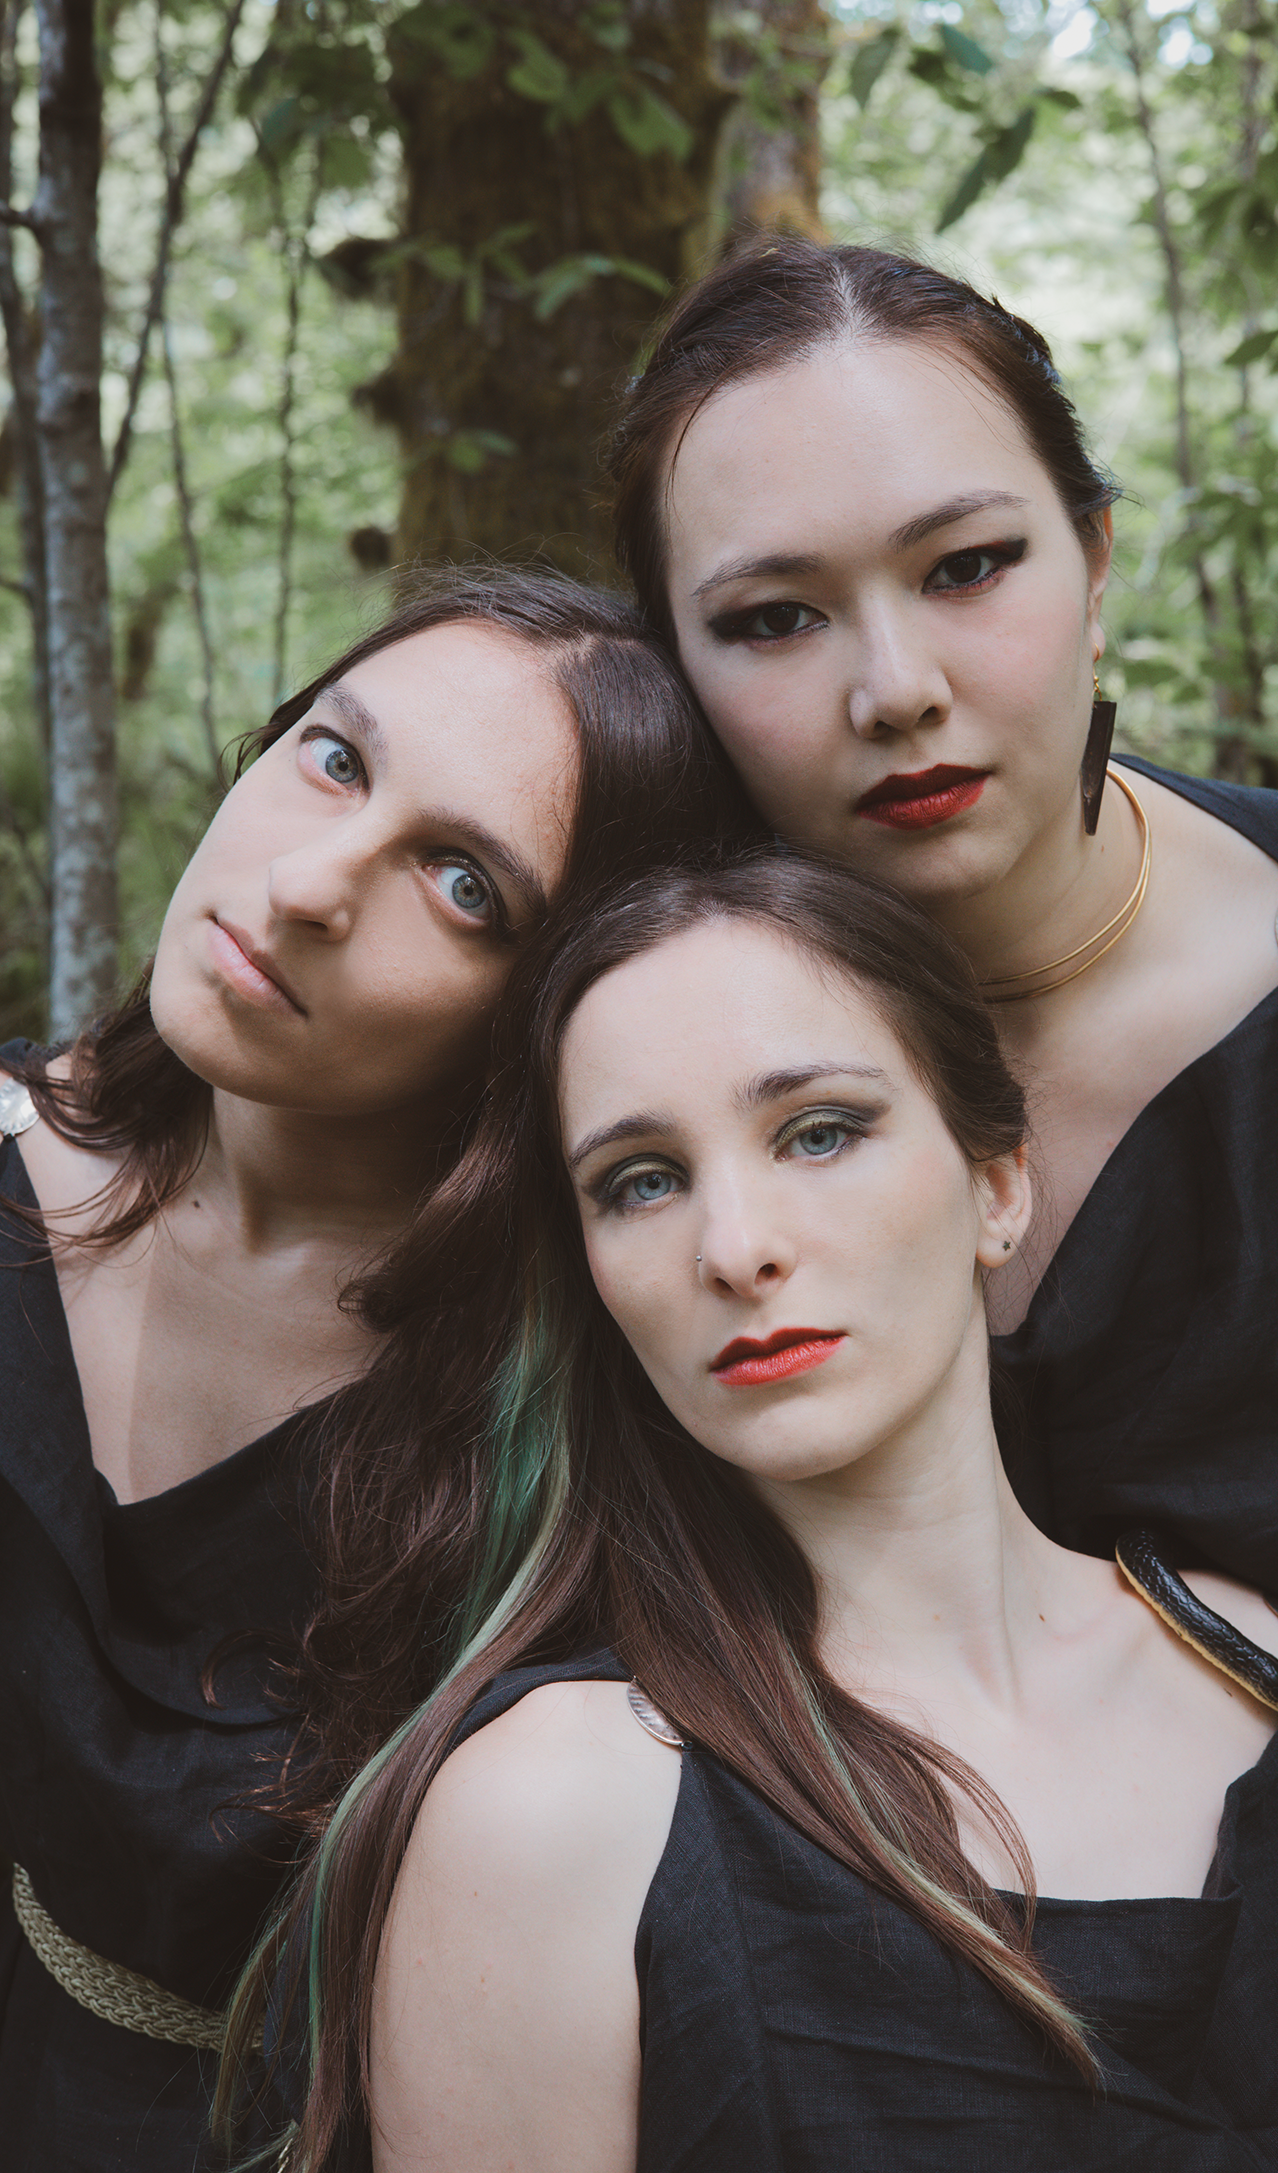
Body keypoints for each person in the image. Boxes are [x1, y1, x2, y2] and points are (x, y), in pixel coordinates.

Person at [231, 851, 1278, 2173]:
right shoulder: (551, 1814)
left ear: (997, 1185)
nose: (736, 1248)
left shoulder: (1270, 1673)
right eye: (642, 1179)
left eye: (819, 1131)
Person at [604, 239, 1278, 1966]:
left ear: (1092, 559)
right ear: (675, 665)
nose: (895, 686)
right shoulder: (629, 1061)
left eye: (968, 566)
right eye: (774, 616)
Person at [0, 568, 748, 2173]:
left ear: (553, 1006)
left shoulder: (583, 1422)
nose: (310, 883)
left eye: (463, 882)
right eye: (335, 758)